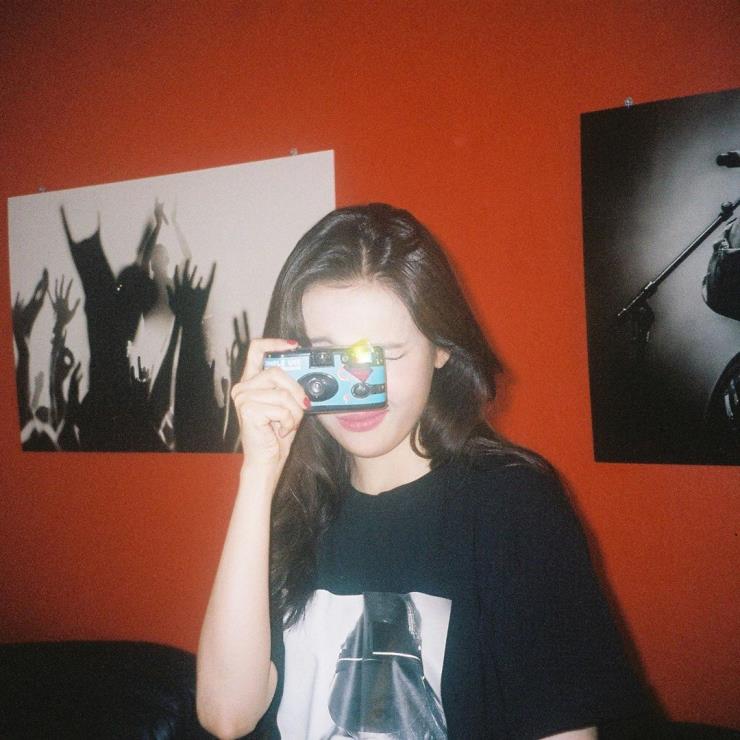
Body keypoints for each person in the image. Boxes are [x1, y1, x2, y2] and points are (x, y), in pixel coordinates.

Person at [196, 204, 648, 739]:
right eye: (330, 357)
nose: (361, 388)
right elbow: (227, 715)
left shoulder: (512, 504)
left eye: (385, 354)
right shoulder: (291, 503)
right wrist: (258, 475)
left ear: (441, 350)